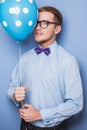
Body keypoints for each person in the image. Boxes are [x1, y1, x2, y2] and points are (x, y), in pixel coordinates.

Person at [7, 6, 83, 130]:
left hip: (54, 127)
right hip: (25, 126)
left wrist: (39, 115)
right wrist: (14, 95)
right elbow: (11, 87)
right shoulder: (25, 58)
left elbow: (76, 104)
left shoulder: (68, 60)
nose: (37, 27)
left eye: (44, 23)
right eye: (36, 23)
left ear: (57, 29)